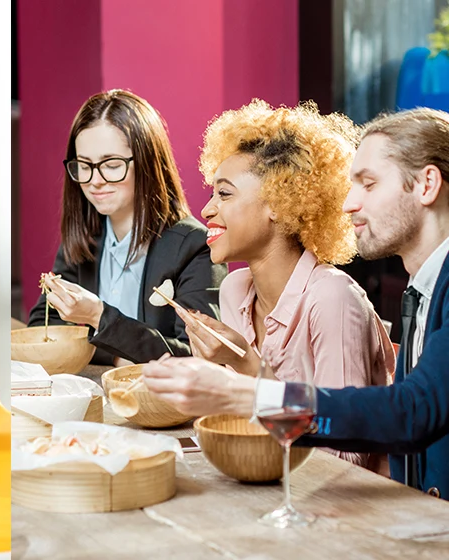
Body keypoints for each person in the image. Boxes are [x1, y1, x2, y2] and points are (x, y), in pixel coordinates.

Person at [143, 107, 449, 497]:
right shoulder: (421, 289)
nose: (348, 204)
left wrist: (244, 390)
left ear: (426, 185)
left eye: (368, 184)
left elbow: (409, 413)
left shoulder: (345, 295)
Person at [176, 99, 393, 471]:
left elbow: (344, 453)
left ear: (278, 202)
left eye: (224, 194)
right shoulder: (235, 290)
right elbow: (242, 424)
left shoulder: (332, 298)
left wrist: (245, 363)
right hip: (266, 485)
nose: (207, 210)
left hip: (346, 508)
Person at [27, 89, 226, 365]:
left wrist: (98, 317)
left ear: (145, 163)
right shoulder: (85, 238)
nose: (94, 180)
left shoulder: (194, 247)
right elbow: (41, 327)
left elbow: (199, 356)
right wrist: (120, 355)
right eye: (84, 165)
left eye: (110, 164)